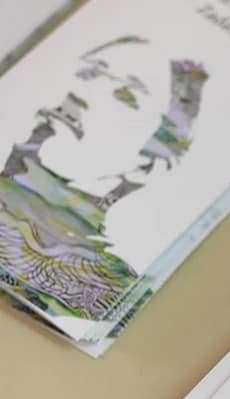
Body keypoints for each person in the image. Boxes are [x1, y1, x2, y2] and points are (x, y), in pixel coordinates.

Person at [0, 36, 208, 320]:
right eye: (89, 73)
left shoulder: (114, 299)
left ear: (151, 161)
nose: (81, 94)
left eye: (126, 97)